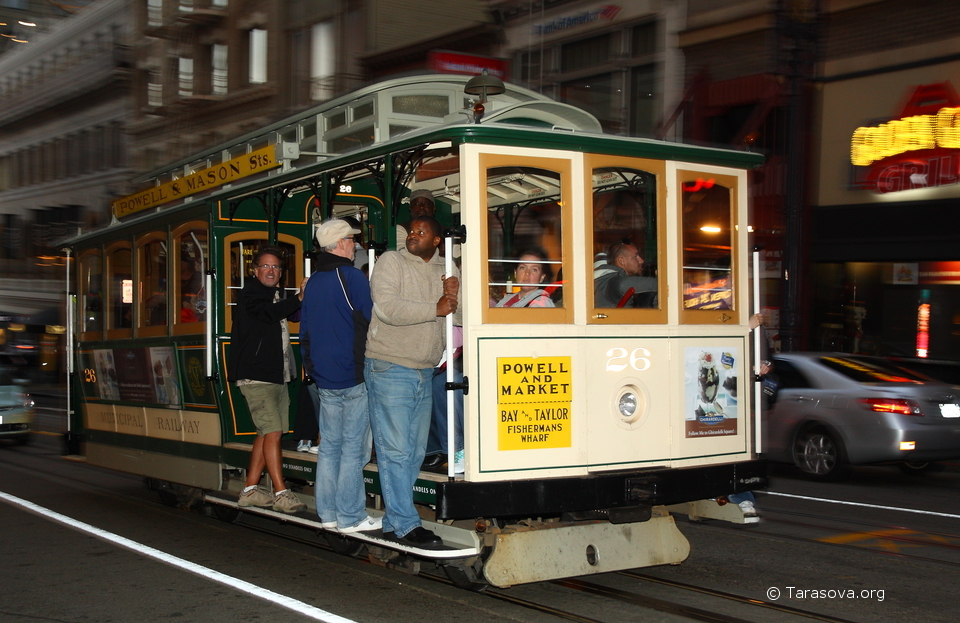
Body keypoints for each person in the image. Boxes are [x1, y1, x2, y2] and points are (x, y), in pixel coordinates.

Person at [365, 215, 460, 549]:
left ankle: (394, 520)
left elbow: (459, 315)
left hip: (424, 369)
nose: (413, 235)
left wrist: (456, 296)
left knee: (415, 451)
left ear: (437, 241)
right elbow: (388, 308)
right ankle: (407, 523)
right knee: (395, 450)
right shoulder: (391, 262)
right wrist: (435, 306)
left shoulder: (446, 269)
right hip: (390, 366)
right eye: (411, 231)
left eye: (422, 231)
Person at [300, 219, 381, 534]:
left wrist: (313, 370)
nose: (355, 244)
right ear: (339, 244)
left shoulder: (314, 281)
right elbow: (373, 321)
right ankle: (351, 517)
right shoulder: (351, 277)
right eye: (351, 240)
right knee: (353, 448)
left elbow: (304, 332)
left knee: (330, 445)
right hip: (352, 374)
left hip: (324, 377)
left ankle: (329, 514)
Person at [228, 247, 308, 514]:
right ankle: (280, 492)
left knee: (266, 432)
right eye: (265, 266)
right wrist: (298, 297)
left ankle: (250, 489)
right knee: (273, 431)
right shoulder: (250, 293)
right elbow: (268, 314)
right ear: (255, 270)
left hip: (276, 375)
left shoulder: (273, 295)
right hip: (256, 376)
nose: (271, 271)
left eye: (276, 267)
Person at [594, 240, 657, 308]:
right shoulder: (610, 281)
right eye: (635, 256)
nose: (641, 260)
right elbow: (621, 285)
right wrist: (661, 283)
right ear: (622, 261)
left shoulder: (603, 279)